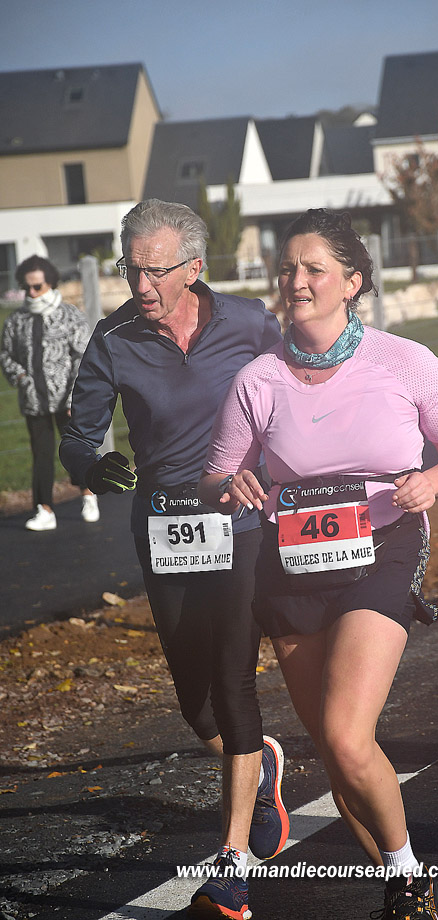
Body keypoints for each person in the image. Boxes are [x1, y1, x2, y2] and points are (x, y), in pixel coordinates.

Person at [200, 208, 438, 920]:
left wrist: (431, 482)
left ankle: (409, 876)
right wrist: (232, 484)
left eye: (313, 269)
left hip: (383, 545)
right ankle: (399, 886)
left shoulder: (403, 361)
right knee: (336, 754)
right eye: (287, 269)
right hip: (292, 560)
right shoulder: (258, 379)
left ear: (352, 281)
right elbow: (215, 477)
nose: (295, 281)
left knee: (344, 733)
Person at [59, 199, 289, 920]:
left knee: (234, 677)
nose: (140, 284)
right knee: (196, 703)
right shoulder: (113, 338)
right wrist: (92, 466)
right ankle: (259, 767)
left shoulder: (249, 322)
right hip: (165, 526)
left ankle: (231, 862)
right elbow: (78, 435)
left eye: (154, 270)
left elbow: (299, 385)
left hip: (240, 517)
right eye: (130, 268)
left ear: (194, 267)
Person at [0, 255, 99, 530]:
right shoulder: (16, 321)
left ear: (51, 283)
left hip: (67, 400)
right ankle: (44, 509)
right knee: (41, 456)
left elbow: (83, 358)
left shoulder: (70, 316)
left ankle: (88, 494)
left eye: (37, 286)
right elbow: (5, 354)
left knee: (77, 452)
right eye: (26, 287)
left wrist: (74, 398)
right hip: (34, 402)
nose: (31, 292)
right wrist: (20, 377)